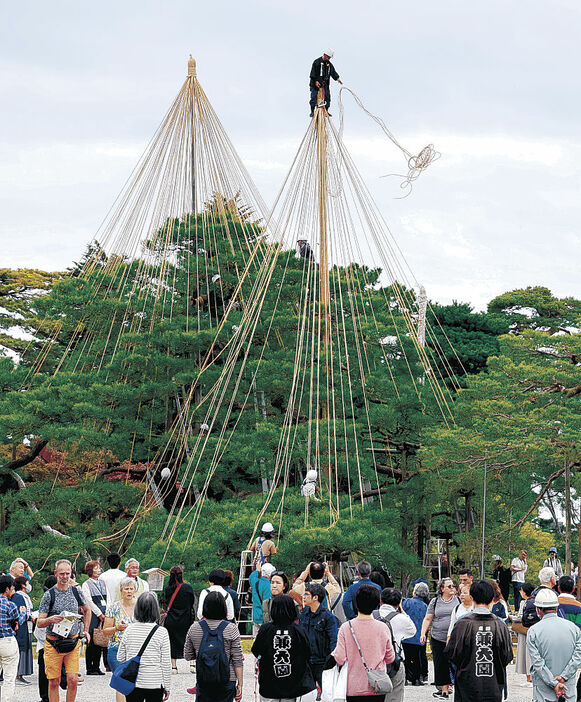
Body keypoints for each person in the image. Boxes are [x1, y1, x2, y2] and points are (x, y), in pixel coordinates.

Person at [444, 580, 513, 702]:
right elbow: (507, 656)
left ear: (472, 597)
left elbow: (452, 654)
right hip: (493, 685)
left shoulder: (462, 623)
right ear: (492, 599)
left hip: (467, 684)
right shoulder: (500, 625)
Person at [37, 559, 91, 702]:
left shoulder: (76, 591)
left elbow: (87, 610)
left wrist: (86, 630)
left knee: (72, 679)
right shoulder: (49, 595)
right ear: (56, 574)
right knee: (54, 681)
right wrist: (50, 619)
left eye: (68, 573)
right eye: (62, 574)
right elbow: (39, 622)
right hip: (53, 644)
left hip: (72, 642)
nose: (65, 577)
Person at [332, 583, 395, 700]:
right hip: (377, 685)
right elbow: (390, 657)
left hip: (353, 687)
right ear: (376, 604)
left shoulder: (346, 628)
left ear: (356, 603)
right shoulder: (383, 627)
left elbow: (340, 658)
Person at [252, 594, 316, 702]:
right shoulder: (298, 630)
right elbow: (308, 653)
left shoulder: (265, 629)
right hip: (293, 685)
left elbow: (255, 650)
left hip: (269, 685)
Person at [184, 590, 244, 702]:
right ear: (223, 607)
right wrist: (240, 684)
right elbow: (237, 659)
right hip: (227, 680)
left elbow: (187, 655)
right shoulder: (231, 628)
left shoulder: (194, 628)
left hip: (204, 679)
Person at [527, 587, 581, 701]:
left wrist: (553, 682)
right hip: (567, 689)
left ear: (538, 609)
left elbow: (538, 663)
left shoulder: (533, 631)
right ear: (557, 607)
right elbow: (577, 658)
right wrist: (563, 677)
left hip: (543, 690)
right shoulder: (574, 629)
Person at [117, 592, 172, 702]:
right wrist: (167, 686)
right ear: (156, 610)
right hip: (154, 682)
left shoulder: (129, 630)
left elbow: (120, 657)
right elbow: (166, 663)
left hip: (133, 682)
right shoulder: (162, 632)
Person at [372, 588, 415, 702]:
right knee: (395, 696)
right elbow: (413, 631)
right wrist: (402, 611)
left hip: (373, 662)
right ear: (398, 603)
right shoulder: (401, 618)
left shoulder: (371, 615)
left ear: (381, 601)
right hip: (394, 663)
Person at [420, 577, 459, 699]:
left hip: (454, 638)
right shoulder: (435, 601)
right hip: (437, 636)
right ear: (442, 589)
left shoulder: (458, 600)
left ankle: (454, 686)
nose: (452, 588)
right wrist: (422, 633)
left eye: (453, 586)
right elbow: (428, 618)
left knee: (455, 662)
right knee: (440, 663)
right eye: (449, 586)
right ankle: (444, 689)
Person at [299, 582, 338, 693]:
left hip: (322, 662)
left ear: (315, 597)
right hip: (306, 662)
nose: (303, 597)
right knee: (307, 694)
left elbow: (333, 640)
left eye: (306, 594)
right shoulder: (304, 614)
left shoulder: (327, 617)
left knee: (326, 693)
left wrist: (330, 661)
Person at [103, 576, 136, 702]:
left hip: (135, 649)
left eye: (131, 589)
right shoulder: (113, 607)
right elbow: (105, 631)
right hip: (116, 649)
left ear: (134, 590)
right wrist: (117, 628)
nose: (129, 591)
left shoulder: (140, 605)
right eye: (126, 589)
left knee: (135, 682)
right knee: (121, 682)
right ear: (121, 590)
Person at [162, 565, 196, 674]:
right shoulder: (188, 588)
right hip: (186, 618)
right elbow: (191, 603)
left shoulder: (167, 589)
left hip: (171, 619)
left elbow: (165, 603)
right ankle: (192, 664)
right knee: (189, 640)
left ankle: (174, 667)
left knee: (172, 641)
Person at [0, 574, 27, 702]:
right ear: (6, 589)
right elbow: (18, 622)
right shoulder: (10, 605)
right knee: (9, 677)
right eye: (12, 588)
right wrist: (24, 612)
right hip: (7, 641)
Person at [81, 559, 108, 675]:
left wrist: (107, 612)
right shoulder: (86, 584)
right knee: (91, 640)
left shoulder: (102, 583)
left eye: (98, 568)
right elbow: (88, 601)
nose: (98, 570)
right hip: (93, 614)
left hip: (104, 612)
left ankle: (97, 666)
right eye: (95, 568)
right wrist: (99, 613)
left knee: (100, 640)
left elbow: (108, 598)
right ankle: (90, 667)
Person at [402, 581, 429, 686]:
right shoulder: (425, 606)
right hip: (419, 636)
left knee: (406, 658)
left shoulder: (407, 602)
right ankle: (417, 678)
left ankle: (405, 677)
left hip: (407, 636)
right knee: (417, 658)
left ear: (415, 592)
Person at [35, 575, 58, 702]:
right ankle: (46, 696)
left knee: (45, 672)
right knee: (47, 671)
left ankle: (45, 696)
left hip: (44, 642)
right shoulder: (48, 599)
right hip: (49, 642)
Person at [11, 575, 34, 685]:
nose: (29, 585)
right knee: (21, 647)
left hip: (26, 625)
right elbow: (21, 613)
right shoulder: (19, 597)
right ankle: (17, 674)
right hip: (21, 626)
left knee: (25, 647)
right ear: (23, 585)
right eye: (27, 582)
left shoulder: (24, 596)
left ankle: (20, 673)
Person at [309, 50, 342, 117]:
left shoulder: (329, 65)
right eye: (328, 57)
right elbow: (313, 73)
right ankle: (312, 111)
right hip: (315, 84)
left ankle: (326, 110)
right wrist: (316, 81)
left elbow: (333, 72)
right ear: (325, 55)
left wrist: (337, 78)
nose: (328, 59)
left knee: (327, 97)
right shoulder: (316, 62)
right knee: (314, 97)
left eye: (329, 58)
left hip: (324, 85)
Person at [514, 581, 534, 688]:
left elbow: (520, 617)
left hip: (524, 630)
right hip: (533, 630)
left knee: (525, 654)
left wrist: (512, 617)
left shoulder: (524, 603)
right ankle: (532, 678)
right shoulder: (535, 601)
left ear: (525, 592)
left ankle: (529, 678)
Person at [249, 562, 275, 636]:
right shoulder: (270, 586)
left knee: (256, 640)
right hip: (266, 618)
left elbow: (251, 578)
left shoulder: (255, 582)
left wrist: (257, 570)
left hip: (256, 616)